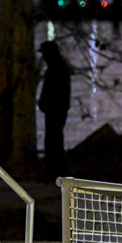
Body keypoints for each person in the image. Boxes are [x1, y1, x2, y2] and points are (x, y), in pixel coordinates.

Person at [37, 41, 71, 179]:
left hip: (54, 109)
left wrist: (44, 102)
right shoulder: (60, 67)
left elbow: (52, 90)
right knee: (55, 138)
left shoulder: (56, 69)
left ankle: (54, 170)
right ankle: (56, 169)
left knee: (53, 139)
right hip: (56, 108)